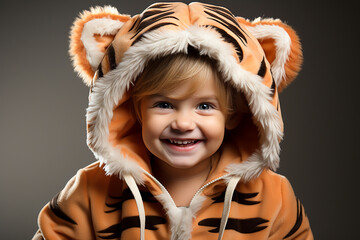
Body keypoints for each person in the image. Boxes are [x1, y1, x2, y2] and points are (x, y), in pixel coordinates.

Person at [33, 2, 313, 240]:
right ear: (136, 111)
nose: (182, 123)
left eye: (204, 106)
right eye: (164, 104)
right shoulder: (89, 190)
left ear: (233, 114)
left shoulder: (274, 197)